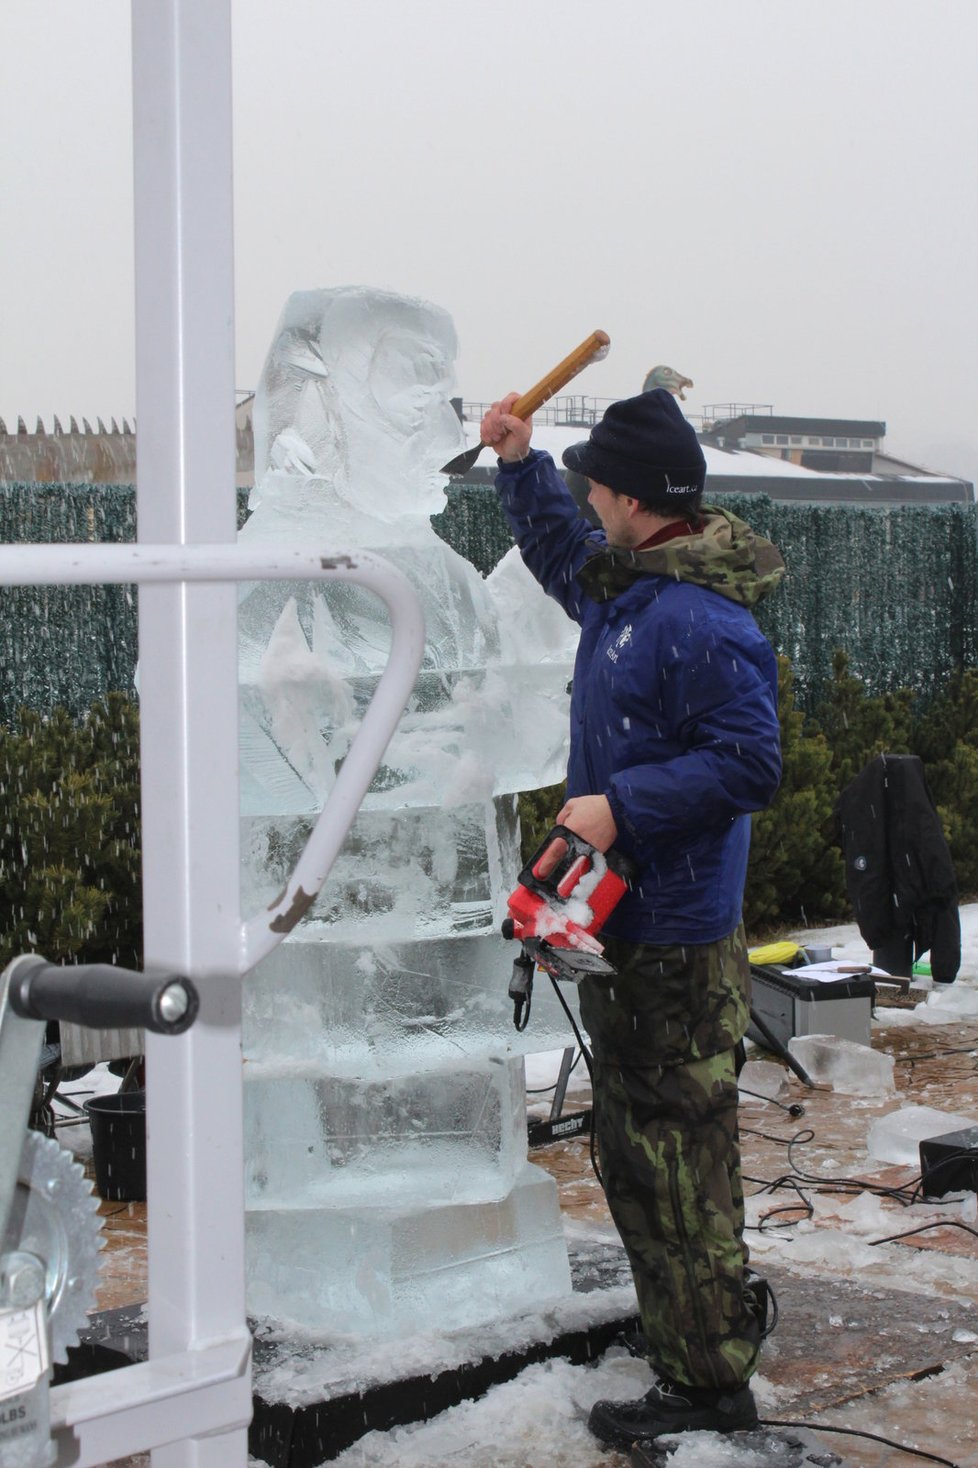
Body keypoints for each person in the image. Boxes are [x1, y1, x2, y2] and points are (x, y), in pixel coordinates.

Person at [480, 387, 785, 1450]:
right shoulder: (635, 586)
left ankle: (709, 1383)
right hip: (627, 925)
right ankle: (689, 1343)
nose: (590, 499)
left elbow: (753, 761)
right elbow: (570, 558)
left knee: (675, 1157)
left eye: (598, 485)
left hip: (678, 941)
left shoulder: (701, 619)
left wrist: (622, 805)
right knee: (636, 1144)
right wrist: (519, 466)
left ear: (643, 500)